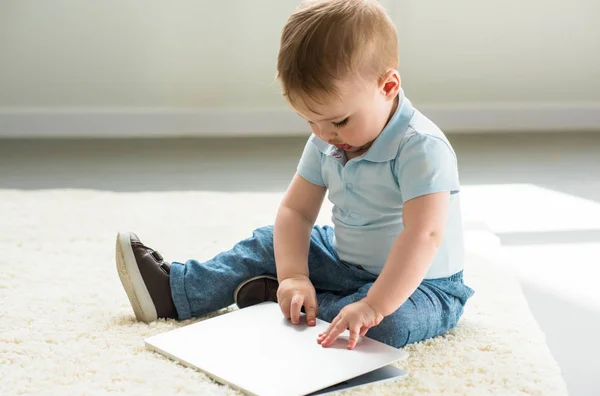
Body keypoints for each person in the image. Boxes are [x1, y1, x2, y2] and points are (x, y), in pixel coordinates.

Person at [115, 0, 474, 350]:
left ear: (388, 87)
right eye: (309, 120)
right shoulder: (327, 139)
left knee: (388, 326)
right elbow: (296, 213)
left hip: (426, 284)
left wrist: (372, 305)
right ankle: (178, 290)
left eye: (338, 121)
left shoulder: (420, 147)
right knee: (270, 241)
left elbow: (423, 235)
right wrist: (294, 275)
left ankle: (290, 301)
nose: (323, 134)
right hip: (345, 261)